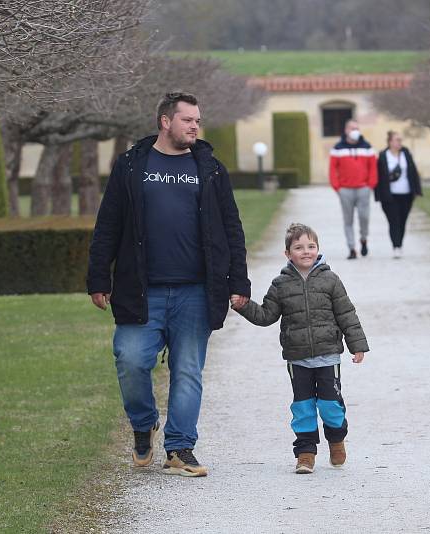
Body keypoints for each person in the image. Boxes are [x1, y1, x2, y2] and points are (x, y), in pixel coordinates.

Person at [86, 92, 251, 477]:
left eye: (198, 120)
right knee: (130, 361)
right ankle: (143, 426)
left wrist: (238, 279)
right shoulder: (131, 166)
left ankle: (179, 447)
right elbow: (108, 224)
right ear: (165, 121)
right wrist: (98, 276)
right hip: (141, 289)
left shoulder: (210, 169)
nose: (195, 126)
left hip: (195, 290)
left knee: (189, 370)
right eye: (187, 120)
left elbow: (232, 228)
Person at [230, 223, 369, 474]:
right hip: (298, 358)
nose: (306, 251)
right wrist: (243, 305)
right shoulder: (281, 284)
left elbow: (347, 314)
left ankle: (336, 440)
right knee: (303, 407)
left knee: (330, 405)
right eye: (299, 247)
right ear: (288, 254)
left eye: (311, 246)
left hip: (328, 356)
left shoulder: (330, 280)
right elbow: (266, 315)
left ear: (318, 249)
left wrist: (356, 345)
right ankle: (305, 453)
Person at [329, 119, 378, 259]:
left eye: (357, 128)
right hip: (345, 190)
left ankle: (363, 239)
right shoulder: (338, 148)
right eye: (352, 128)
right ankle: (351, 248)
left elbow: (373, 167)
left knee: (364, 217)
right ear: (346, 130)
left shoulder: (367, 147)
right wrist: (337, 187)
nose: (354, 131)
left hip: (363, 188)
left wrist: (371, 185)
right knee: (348, 220)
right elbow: (332, 169)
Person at [374, 130, 423, 258]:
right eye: (396, 140)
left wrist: (417, 190)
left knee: (402, 220)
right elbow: (378, 176)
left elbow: (413, 171)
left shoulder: (406, 153)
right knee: (393, 220)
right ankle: (396, 246)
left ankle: (399, 244)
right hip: (390, 195)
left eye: (400, 140)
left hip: (406, 193)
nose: (399, 142)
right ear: (390, 142)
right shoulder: (383, 156)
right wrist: (378, 194)